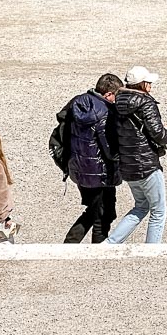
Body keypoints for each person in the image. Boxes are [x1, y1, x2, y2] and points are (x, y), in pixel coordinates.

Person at [106, 66, 167, 246]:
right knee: (158, 212)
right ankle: (152, 251)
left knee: (140, 207)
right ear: (143, 84)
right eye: (149, 82)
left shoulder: (117, 104)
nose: (151, 85)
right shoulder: (146, 103)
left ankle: (110, 244)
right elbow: (160, 136)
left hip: (127, 167)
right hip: (147, 165)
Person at [61, 72, 124, 244]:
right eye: (117, 96)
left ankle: (76, 245)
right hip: (101, 172)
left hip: (79, 169)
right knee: (101, 214)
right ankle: (76, 245)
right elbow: (109, 149)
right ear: (108, 94)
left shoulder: (78, 103)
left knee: (99, 211)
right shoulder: (105, 112)